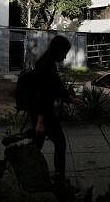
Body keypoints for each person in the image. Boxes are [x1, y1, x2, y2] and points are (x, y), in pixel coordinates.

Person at [31, 35, 75, 181]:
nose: (65, 56)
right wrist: (40, 121)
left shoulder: (47, 62)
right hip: (44, 113)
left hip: (41, 112)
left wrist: (71, 99)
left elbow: (55, 88)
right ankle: (59, 179)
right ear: (58, 50)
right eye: (65, 52)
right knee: (60, 143)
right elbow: (42, 94)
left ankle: (10, 166)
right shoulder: (46, 65)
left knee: (36, 146)